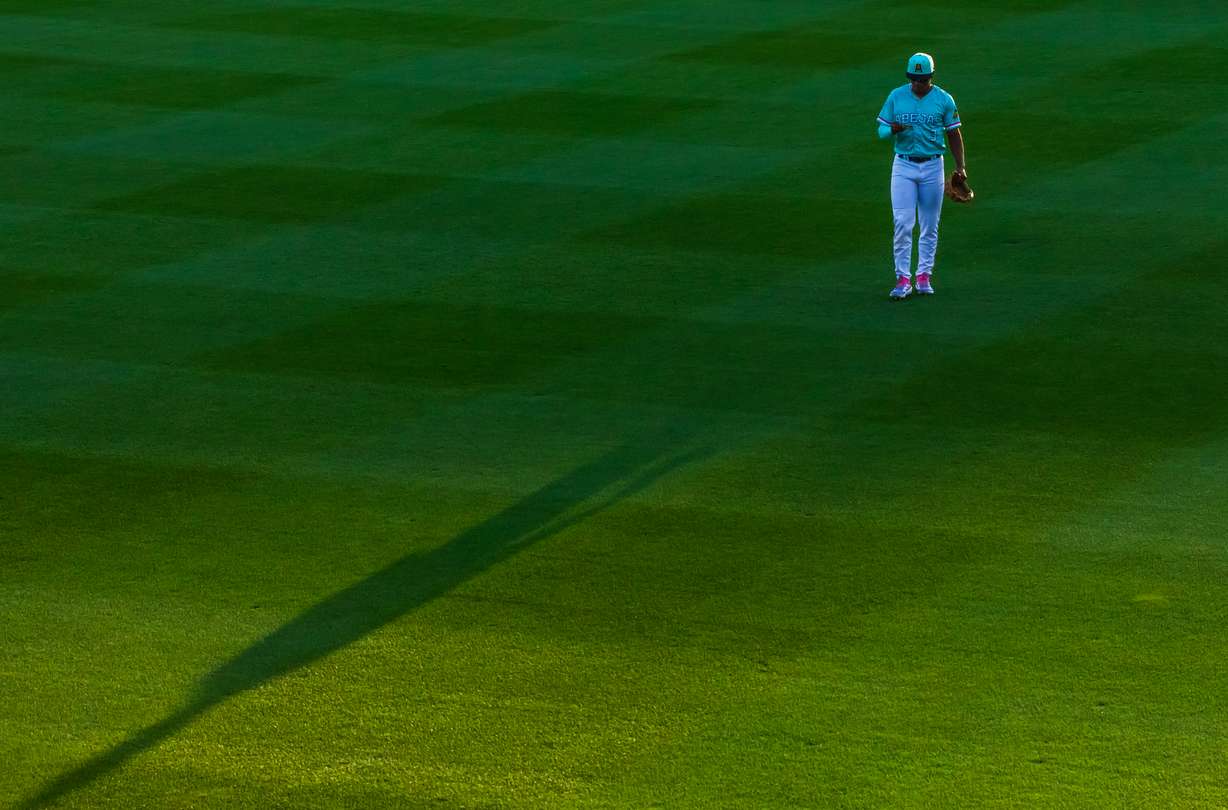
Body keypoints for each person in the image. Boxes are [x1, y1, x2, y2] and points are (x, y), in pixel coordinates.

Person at [876, 52, 966, 299]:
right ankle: (903, 278)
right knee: (903, 223)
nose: (918, 83)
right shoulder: (896, 96)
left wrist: (961, 167)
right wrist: (892, 129)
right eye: (914, 79)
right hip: (903, 166)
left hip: (932, 166)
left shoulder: (944, 100)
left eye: (923, 79)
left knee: (929, 223)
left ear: (931, 77)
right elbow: (881, 131)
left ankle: (924, 275)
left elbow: (954, 134)